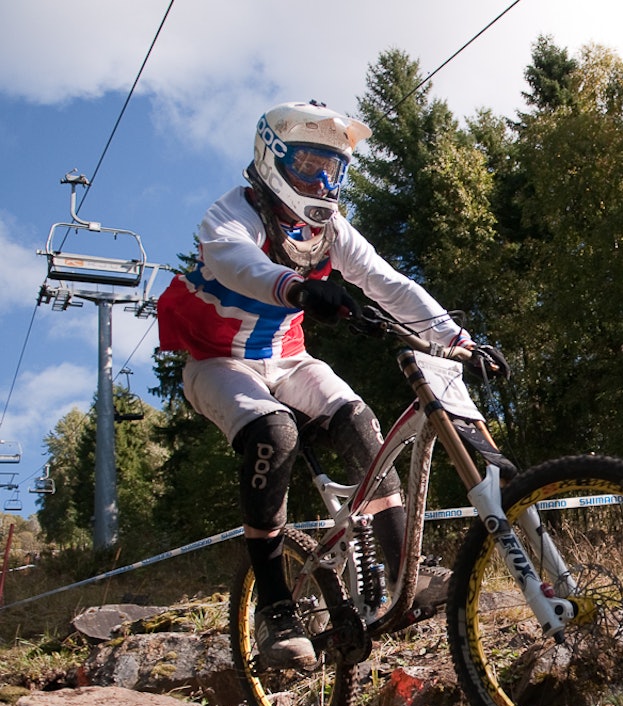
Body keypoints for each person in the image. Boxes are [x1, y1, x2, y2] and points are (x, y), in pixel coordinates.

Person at [157, 100, 509, 669]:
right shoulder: (229, 217)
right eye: (308, 166)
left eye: (333, 168)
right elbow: (237, 265)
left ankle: (404, 573)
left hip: (288, 357)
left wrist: (459, 340)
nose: (322, 181)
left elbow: (388, 283)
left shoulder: (330, 231)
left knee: (361, 422)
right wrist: (295, 288)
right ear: (272, 160)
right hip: (216, 362)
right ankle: (274, 607)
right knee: (274, 431)